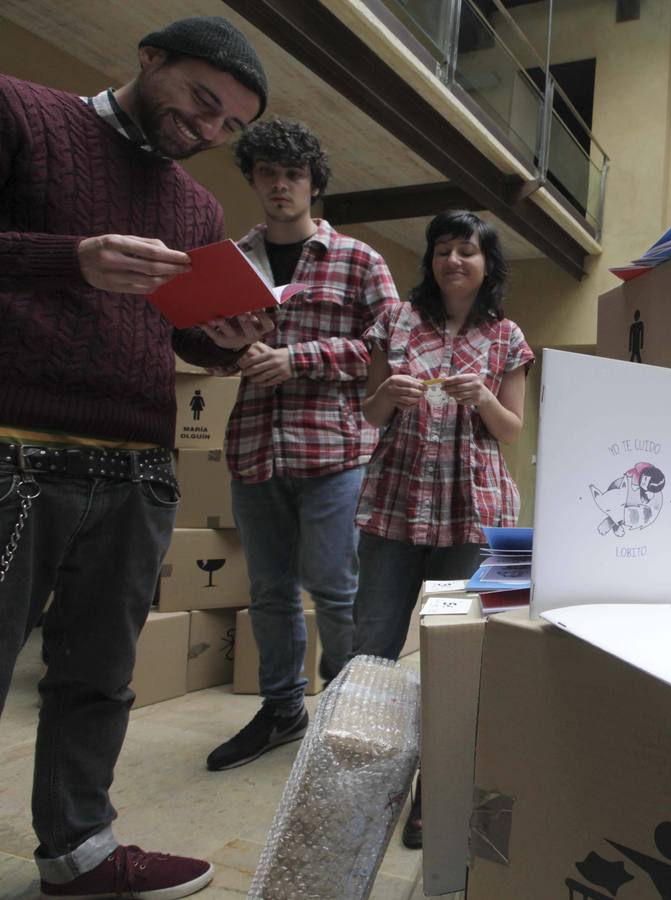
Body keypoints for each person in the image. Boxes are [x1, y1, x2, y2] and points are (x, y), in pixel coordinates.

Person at [0, 17, 272, 898]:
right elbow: (56, 267)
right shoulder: (20, 114)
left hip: (139, 468)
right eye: (200, 102)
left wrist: (226, 343)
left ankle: (79, 854)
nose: (205, 133)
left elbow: (179, 331)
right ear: (149, 58)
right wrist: (69, 258)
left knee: (98, 681)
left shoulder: (196, 208)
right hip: (15, 451)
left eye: (228, 127)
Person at [205, 120, 400, 772]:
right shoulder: (235, 260)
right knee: (267, 592)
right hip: (255, 448)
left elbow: (391, 346)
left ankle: (348, 718)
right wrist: (230, 347)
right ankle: (283, 711)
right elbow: (211, 346)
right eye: (267, 174)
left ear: (314, 183)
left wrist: (300, 358)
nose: (280, 186)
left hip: (335, 452)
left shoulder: (360, 260)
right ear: (255, 180)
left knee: (338, 589)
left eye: (292, 175)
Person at [353, 210, 533, 847]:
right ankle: (362, 781)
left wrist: (482, 396)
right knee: (370, 646)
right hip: (395, 502)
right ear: (430, 259)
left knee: (453, 655)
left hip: (470, 512)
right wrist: (390, 396)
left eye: (467, 250)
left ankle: (438, 789)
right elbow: (370, 414)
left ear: (487, 264)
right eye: (443, 250)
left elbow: (511, 430)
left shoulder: (507, 336)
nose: (454, 260)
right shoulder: (396, 321)